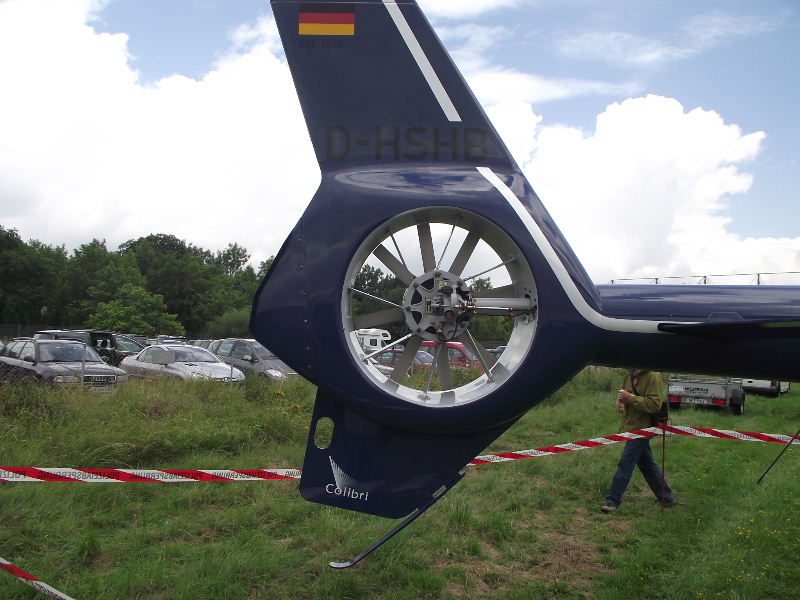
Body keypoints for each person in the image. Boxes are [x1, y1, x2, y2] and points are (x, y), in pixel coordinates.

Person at [601, 369, 675, 513]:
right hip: (632, 426)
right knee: (647, 464)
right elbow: (626, 394)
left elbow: (655, 404)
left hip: (643, 428)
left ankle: (613, 501)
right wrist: (621, 402)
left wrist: (630, 399)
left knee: (626, 463)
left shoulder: (653, 375)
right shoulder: (630, 373)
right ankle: (666, 497)